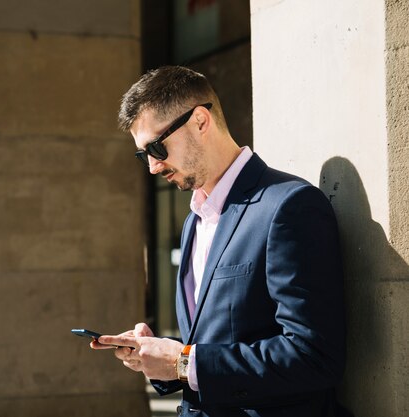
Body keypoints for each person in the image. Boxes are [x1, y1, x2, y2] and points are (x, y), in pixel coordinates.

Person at [90, 66, 348, 417]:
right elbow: (212, 346)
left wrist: (183, 362)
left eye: (156, 146)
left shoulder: (288, 206)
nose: (152, 166)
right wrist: (160, 357)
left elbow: (313, 355)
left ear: (199, 121)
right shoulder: (193, 222)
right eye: (143, 154)